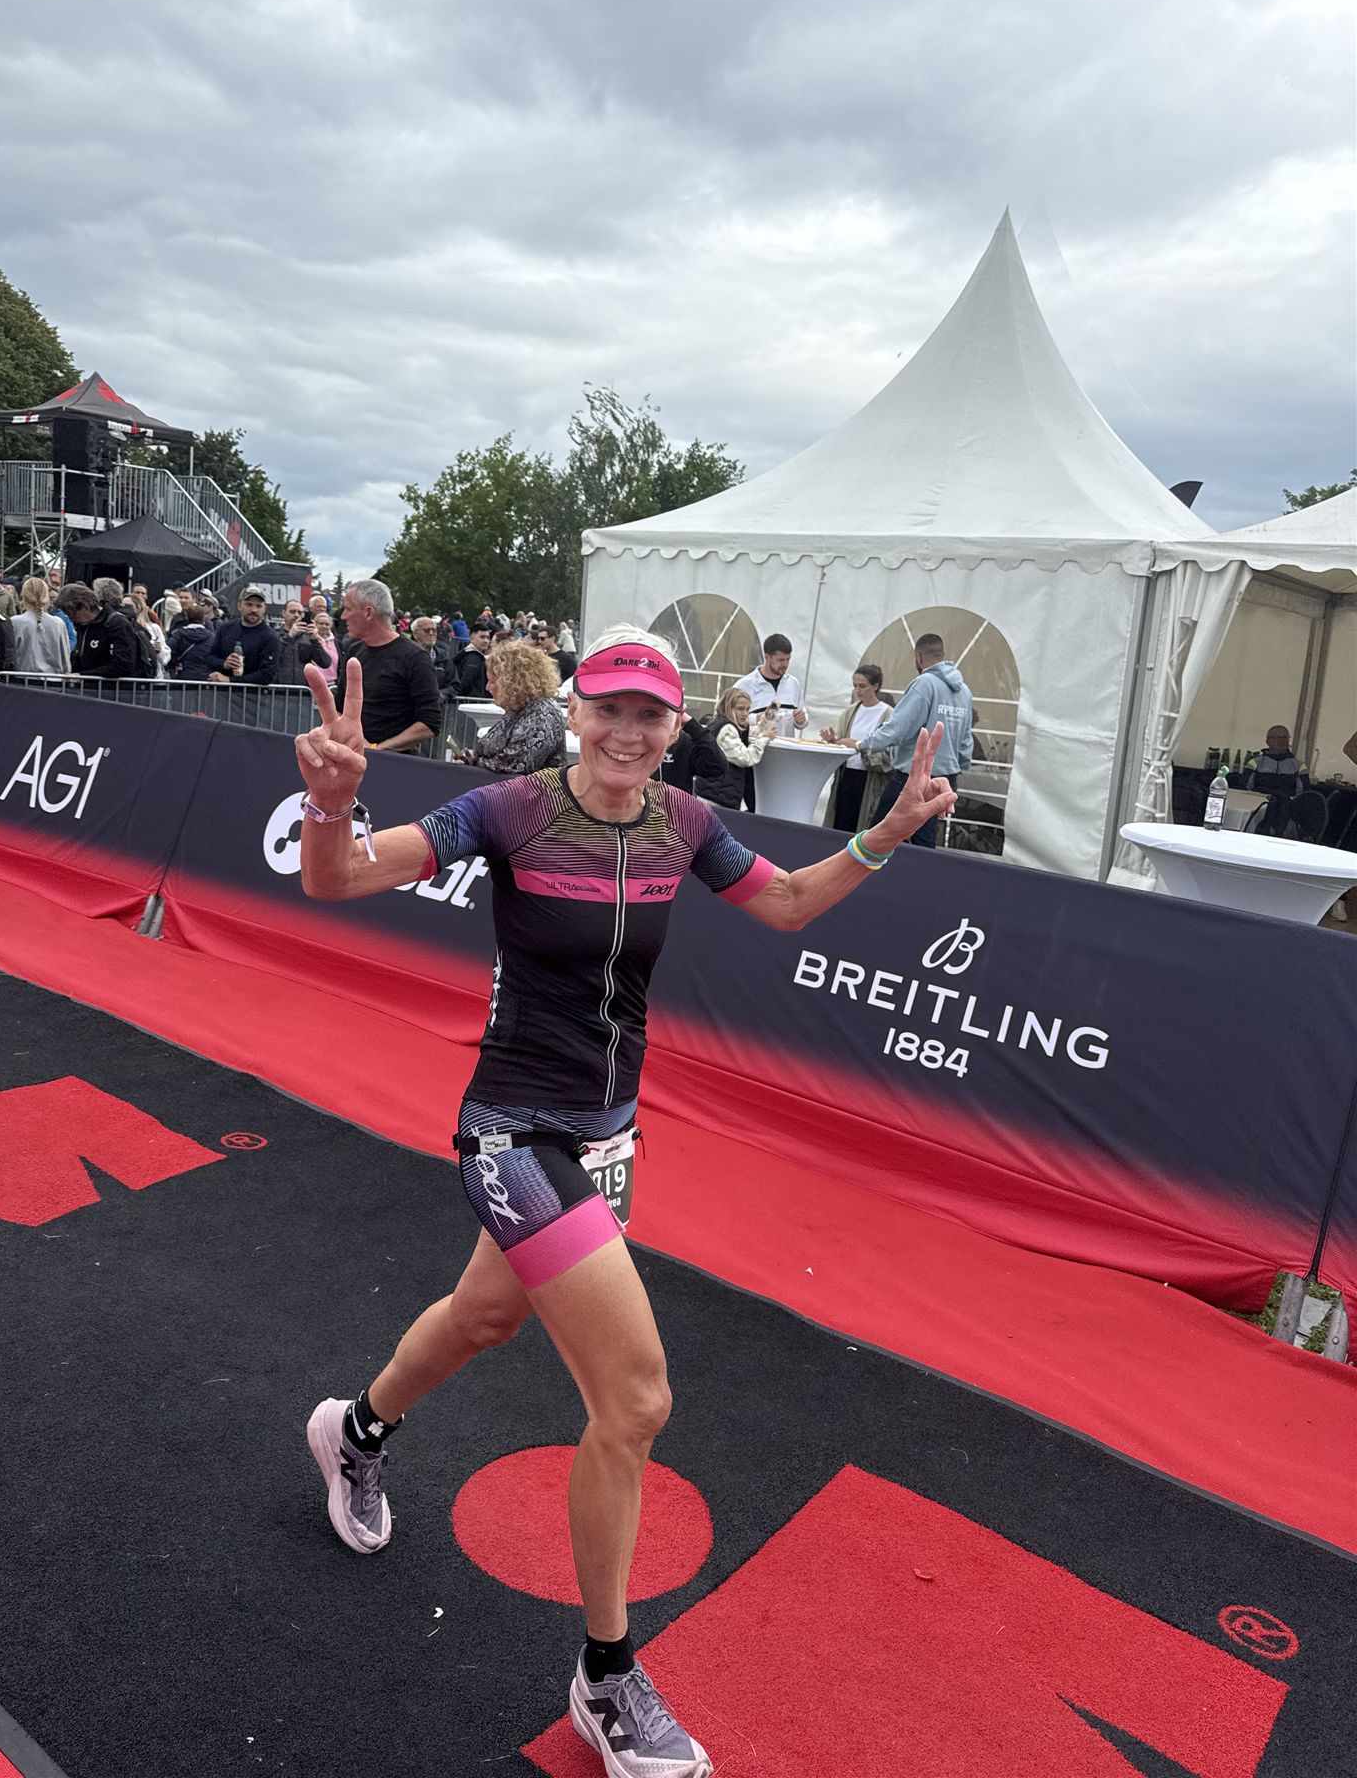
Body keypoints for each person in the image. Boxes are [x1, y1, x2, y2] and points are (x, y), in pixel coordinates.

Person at [294, 625, 954, 1777]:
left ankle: (353, 1432)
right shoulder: (510, 810)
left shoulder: (682, 823)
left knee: (484, 1319)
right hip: (510, 1133)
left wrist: (884, 837)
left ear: (672, 727)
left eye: (650, 715)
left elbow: (791, 903)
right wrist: (333, 803)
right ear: (577, 711)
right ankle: (606, 1679)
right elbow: (336, 877)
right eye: (609, 709)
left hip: (606, 1137)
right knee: (637, 1399)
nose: (627, 732)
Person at [868, 633, 974, 848]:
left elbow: (899, 728)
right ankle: (921, 870)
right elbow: (966, 739)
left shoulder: (924, 684)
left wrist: (864, 744)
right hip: (946, 776)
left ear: (918, 657)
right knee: (925, 837)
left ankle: (865, 869)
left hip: (914, 775)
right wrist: (959, 766)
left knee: (878, 834)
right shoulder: (964, 692)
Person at [334, 578, 442, 752]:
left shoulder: (415, 658)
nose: (343, 616)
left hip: (394, 762)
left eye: (347, 609)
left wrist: (377, 749)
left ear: (368, 613)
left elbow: (429, 723)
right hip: (351, 756)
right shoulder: (354, 650)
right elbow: (339, 707)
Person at [451, 640, 566, 774]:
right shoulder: (520, 709)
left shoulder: (543, 713)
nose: (487, 688)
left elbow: (514, 766)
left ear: (511, 683)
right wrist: (471, 759)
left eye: (492, 682)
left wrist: (474, 763)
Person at [821, 666, 893, 831]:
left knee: (862, 824)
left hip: (870, 780)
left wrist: (857, 746)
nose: (857, 690)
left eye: (862, 686)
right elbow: (840, 738)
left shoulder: (888, 714)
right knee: (841, 821)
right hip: (846, 775)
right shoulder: (850, 711)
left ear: (875, 686)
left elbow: (890, 754)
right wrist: (832, 739)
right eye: (855, 686)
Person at [693, 685, 772, 810]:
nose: (745, 714)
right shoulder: (727, 729)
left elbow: (751, 733)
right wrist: (764, 738)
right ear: (728, 707)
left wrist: (766, 720)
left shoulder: (722, 724)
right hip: (716, 799)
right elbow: (745, 758)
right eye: (740, 709)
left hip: (715, 795)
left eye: (748, 709)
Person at [56, 582, 150, 679]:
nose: (70, 618)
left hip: (112, 687)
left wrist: (84, 676)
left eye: (71, 613)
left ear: (85, 607)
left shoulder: (117, 624)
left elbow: (123, 665)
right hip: (87, 685)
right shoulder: (82, 625)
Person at [1243, 725, 1310, 835]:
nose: (1281, 741)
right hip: (1259, 808)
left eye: (1284, 737)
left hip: (1287, 811)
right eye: (1276, 737)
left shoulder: (1299, 765)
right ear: (1267, 741)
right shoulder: (1255, 762)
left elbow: (1303, 794)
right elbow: (1245, 789)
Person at [208, 586, 281, 685]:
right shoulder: (225, 629)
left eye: (259, 606)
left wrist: (229, 680)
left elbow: (266, 675)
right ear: (239, 606)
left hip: (253, 693)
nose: (254, 610)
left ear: (264, 609)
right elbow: (210, 658)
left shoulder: (270, 637)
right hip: (223, 692)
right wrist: (224, 664)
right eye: (249, 604)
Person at [735, 633, 807, 729]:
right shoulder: (744, 686)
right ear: (767, 657)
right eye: (781, 660)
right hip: (756, 739)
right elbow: (731, 718)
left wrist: (801, 720)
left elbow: (802, 717)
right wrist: (758, 718)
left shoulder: (793, 684)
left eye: (788, 659)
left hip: (786, 739)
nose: (785, 664)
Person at [653, 708, 726, 795]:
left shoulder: (683, 740)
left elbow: (716, 766)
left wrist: (692, 725)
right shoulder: (640, 739)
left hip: (677, 802)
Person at [11, 578, 73, 675]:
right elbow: (65, 656)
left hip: (22, 679)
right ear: (47, 596)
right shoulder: (58, 623)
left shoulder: (15, 622)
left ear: (23, 596)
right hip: (54, 679)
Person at [276, 599, 328, 686]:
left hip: (303, 690)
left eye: (300, 613)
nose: (296, 615)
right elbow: (272, 656)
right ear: (283, 613)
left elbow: (325, 663)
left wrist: (314, 640)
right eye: (292, 612)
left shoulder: (308, 637)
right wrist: (289, 636)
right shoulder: (274, 635)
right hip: (278, 689)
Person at [167, 605, 218, 680]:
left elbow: (168, 651)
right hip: (206, 678)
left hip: (184, 677)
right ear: (204, 618)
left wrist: (175, 664)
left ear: (186, 617)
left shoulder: (178, 634)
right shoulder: (212, 637)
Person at [410, 614, 455, 695]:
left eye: (434, 630)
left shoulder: (444, 656)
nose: (431, 633)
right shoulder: (404, 655)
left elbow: (454, 685)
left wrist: (440, 695)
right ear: (415, 634)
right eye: (426, 630)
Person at [127, 593, 172, 672]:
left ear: (139, 608)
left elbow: (165, 658)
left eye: (128, 606)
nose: (123, 608)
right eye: (122, 605)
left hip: (152, 675)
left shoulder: (154, 628)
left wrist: (160, 650)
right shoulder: (118, 626)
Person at [452, 624, 493, 700]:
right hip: (471, 700)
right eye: (482, 637)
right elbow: (465, 682)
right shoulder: (473, 657)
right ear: (472, 637)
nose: (486, 641)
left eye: (488, 638)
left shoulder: (469, 655)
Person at [309, 608, 340, 687]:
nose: (324, 626)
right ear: (315, 624)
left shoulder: (337, 643)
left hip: (333, 684)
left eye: (327, 624)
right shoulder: (309, 640)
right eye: (321, 623)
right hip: (313, 683)